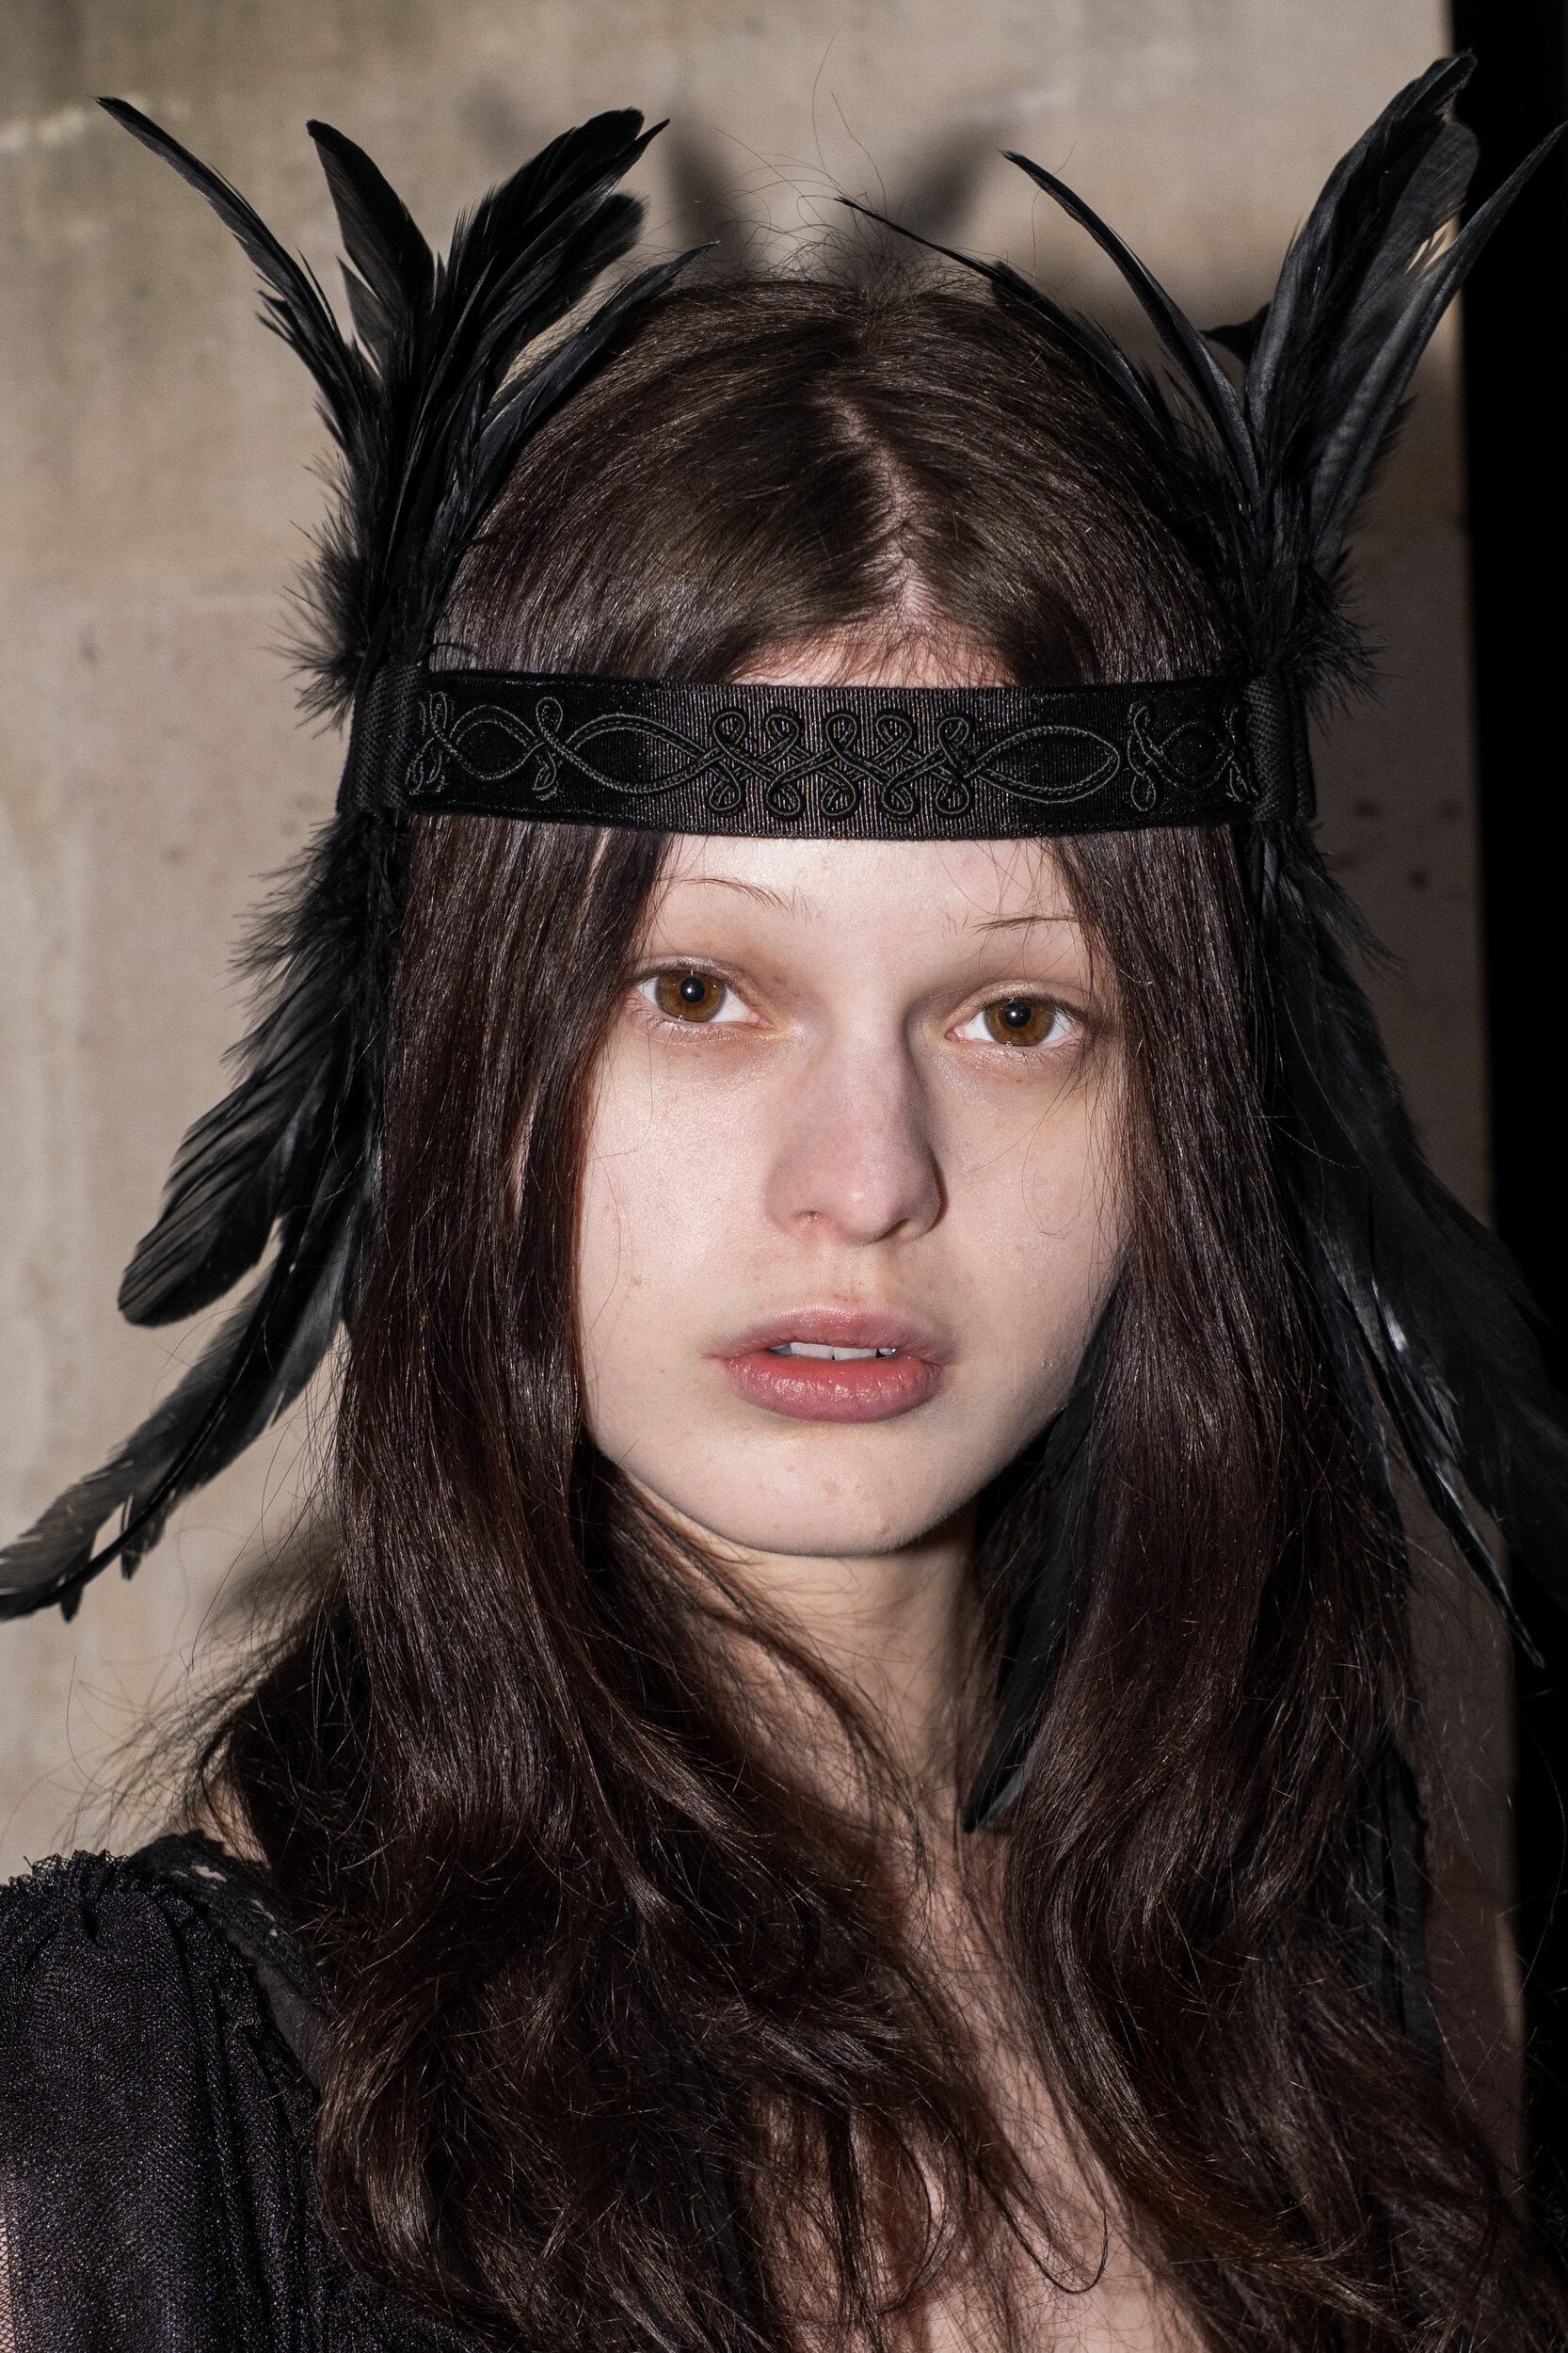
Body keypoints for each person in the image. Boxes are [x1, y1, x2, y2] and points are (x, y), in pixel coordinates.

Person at [2, 58, 1566, 2353]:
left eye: (1016, 1016)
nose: (865, 1179)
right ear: (474, 1063)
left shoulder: (1361, 1978)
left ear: (1187, 1115)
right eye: (698, 991)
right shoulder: (116, 2119)